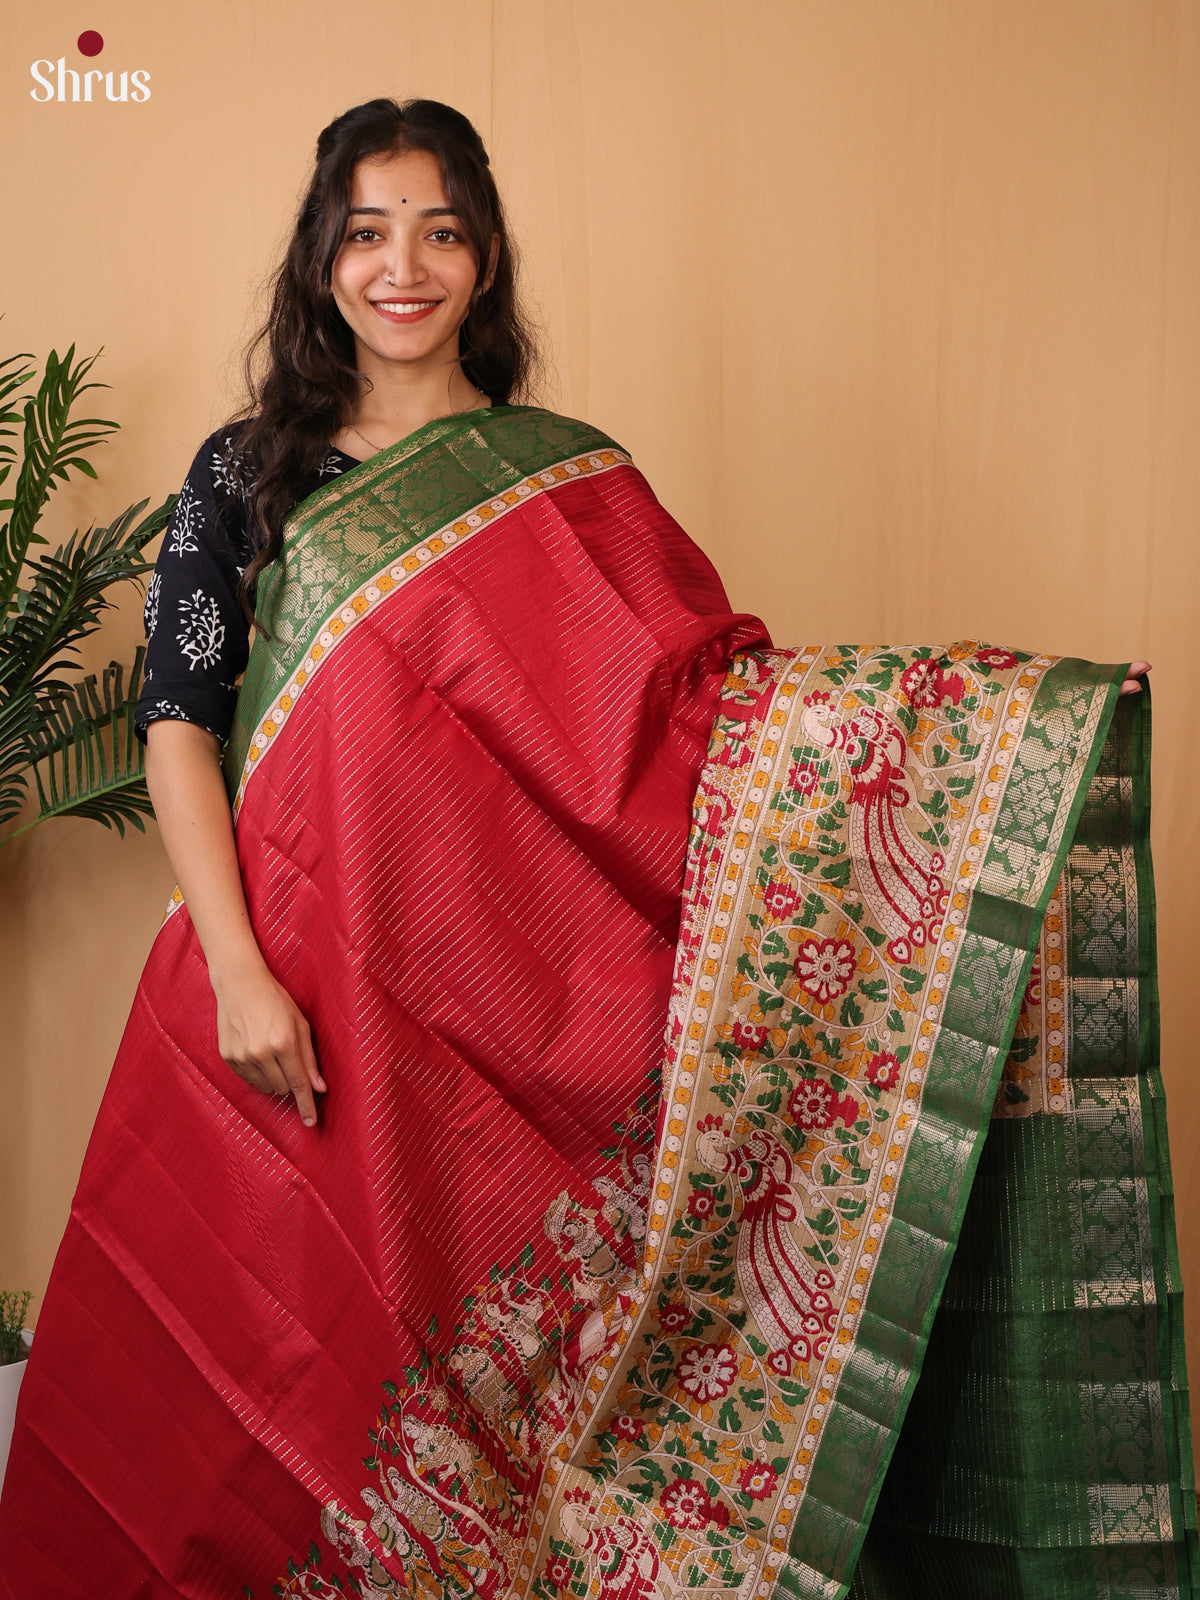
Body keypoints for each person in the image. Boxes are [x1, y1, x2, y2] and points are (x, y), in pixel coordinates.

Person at [0, 98, 1188, 1600]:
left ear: (485, 259)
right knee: (240, 1409)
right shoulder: (245, 478)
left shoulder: (567, 481)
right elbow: (175, 723)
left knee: (481, 1415)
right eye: (365, 234)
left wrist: (998, 732)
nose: (402, 267)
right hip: (285, 1011)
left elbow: (711, 725)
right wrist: (241, 975)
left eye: (439, 230)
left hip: (487, 1027)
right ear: (320, 264)